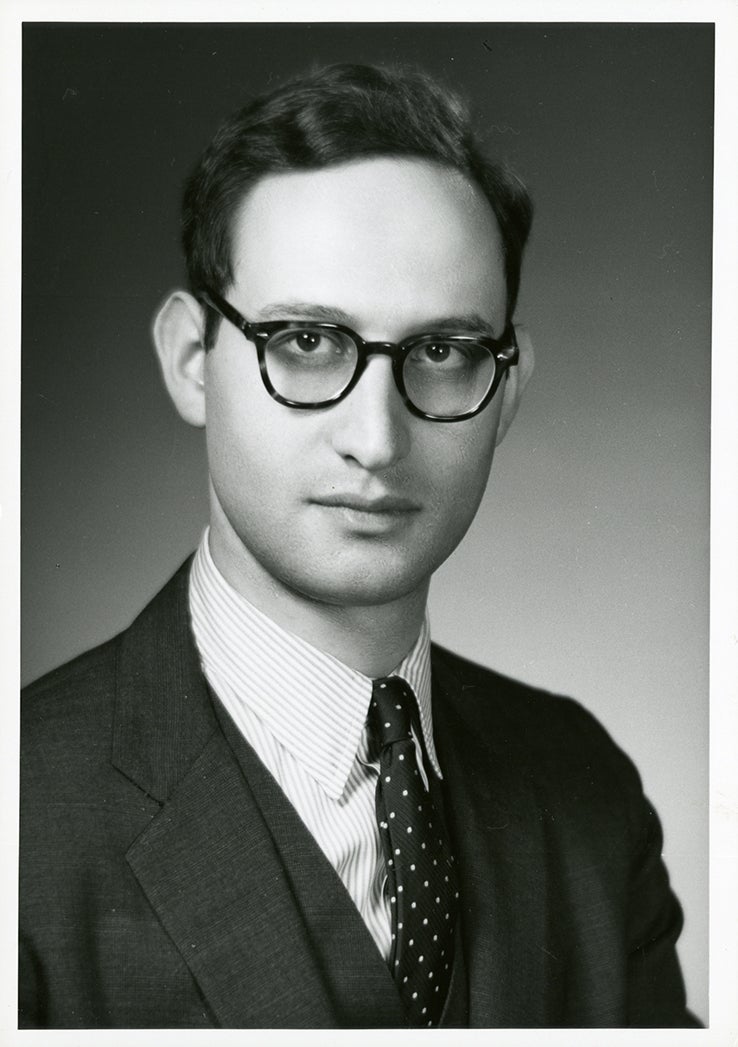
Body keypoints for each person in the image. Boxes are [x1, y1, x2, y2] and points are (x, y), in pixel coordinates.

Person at [19, 62, 698, 1029]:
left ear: (505, 393)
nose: (376, 438)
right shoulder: (25, 813)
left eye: (443, 351)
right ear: (189, 362)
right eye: (306, 341)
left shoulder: (584, 787)